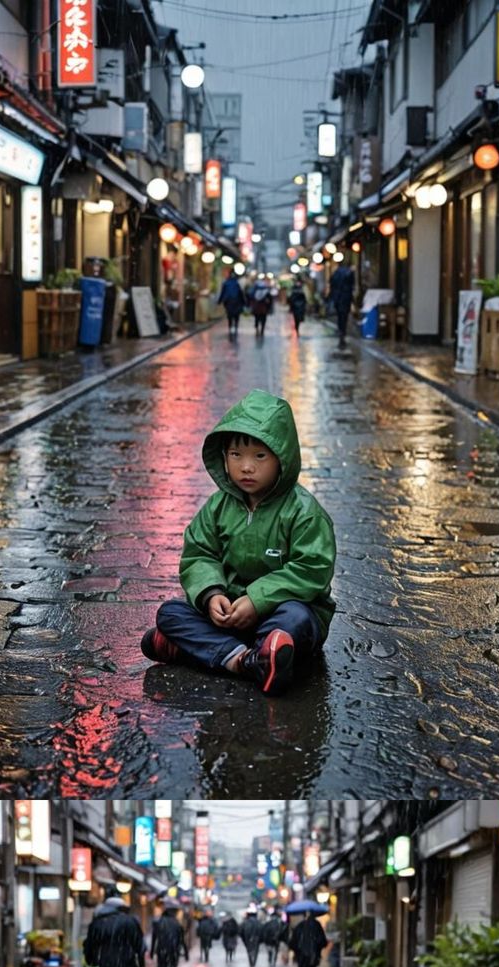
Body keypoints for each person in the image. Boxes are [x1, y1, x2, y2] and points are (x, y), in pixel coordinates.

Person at [140, 389, 337, 697]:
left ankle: (205, 650)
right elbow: (199, 553)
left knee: (297, 619)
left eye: (260, 456)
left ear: (282, 457)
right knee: (170, 613)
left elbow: (312, 568)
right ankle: (246, 660)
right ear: (225, 458)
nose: (247, 467)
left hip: (278, 615)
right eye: (236, 455)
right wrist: (212, 594)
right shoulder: (218, 507)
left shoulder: (304, 512)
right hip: (230, 614)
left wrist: (257, 600)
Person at [150, 903, 186, 967]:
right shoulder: (177, 923)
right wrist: (185, 952)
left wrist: (152, 951)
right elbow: (182, 939)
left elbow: (154, 938)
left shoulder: (159, 922)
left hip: (162, 949)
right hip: (174, 950)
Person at [327, 260, 356, 343]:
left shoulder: (335, 274)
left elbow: (331, 284)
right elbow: (352, 285)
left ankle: (341, 329)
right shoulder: (349, 273)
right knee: (344, 315)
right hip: (346, 297)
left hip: (337, 298)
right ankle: (343, 330)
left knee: (339, 315)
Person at [217, 267, 245, 337]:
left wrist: (219, 301)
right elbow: (241, 293)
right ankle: (235, 327)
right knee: (236, 316)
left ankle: (230, 328)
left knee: (229, 316)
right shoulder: (237, 283)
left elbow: (222, 293)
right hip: (237, 302)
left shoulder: (226, 283)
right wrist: (244, 302)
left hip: (228, 302)